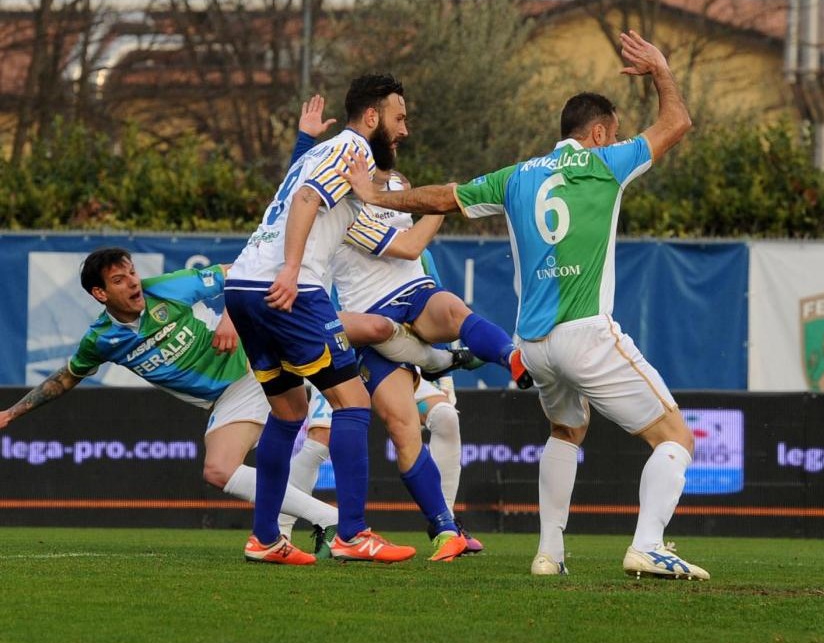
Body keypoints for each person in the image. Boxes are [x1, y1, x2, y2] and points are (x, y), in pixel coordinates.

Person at [341, 31, 706, 580]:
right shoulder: (607, 164)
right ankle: (648, 544)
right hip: (586, 334)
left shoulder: (517, 176)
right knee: (675, 438)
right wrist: (659, 69)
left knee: (566, 433)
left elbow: (445, 196)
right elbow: (677, 123)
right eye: (613, 135)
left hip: (532, 345)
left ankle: (548, 555)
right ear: (601, 133)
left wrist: (376, 197)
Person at [288, 98, 530, 562]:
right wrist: (443, 203)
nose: (405, 132)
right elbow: (409, 241)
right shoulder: (337, 199)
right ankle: (439, 527)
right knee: (402, 428)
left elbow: (412, 244)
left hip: (414, 293)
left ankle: (512, 358)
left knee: (454, 313)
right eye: (399, 121)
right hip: (368, 314)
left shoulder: (397, 183)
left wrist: (424, 197)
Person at [0, 250, 343, 540]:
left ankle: (321, 521)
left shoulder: (165, 289)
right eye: (119, 280)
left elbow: (239, 273)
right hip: (226, 397)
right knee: (222, 471)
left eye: (132, 273)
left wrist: (231, 318)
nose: (133, 281)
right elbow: (64, 378)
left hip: (253, 368)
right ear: (100, 294)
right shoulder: (101, 340)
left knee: (234, 462)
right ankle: (300, 526)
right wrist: (11, 414)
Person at [223, 75, 419, 564]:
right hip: (291, 287)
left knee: (288, 412)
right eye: (399, 118)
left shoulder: (321, 153)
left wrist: (303, 138)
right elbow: (308, 199)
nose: (404, 131)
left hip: (245, 287)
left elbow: (304, 196)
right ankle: (352, 533)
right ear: (371, 117)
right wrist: (291, 270)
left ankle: (265, 538)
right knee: (352, 403)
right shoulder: (355, 152)